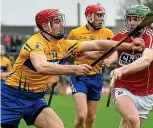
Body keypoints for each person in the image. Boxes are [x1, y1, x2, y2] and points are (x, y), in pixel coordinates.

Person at [0, 8, 144, 128]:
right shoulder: (36, 43)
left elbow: (97, 45)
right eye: (56, 21)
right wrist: (74, 69)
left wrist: (129, 46)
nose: (61, 24)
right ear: (45, 26)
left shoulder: (63, 44)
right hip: (11, 97)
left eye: (61, 20)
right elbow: (41, 66)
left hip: (35, 98)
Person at [103, 5, 153, 128]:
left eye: (136, 19)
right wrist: (89, 54)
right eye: (129, 19)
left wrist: (122, 69)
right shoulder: (121, 36)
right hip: (122, 87)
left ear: (146, 21)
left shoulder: (152, 37)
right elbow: (110, 51)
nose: (131, 23)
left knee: (127, 125)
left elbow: (146, 60)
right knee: (134, 122)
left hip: (145, 92)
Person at [67, 4, 114, 128]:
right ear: (89, 16)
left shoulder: (108, 33)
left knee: (90, 118)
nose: (101, 18)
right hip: (79, 77)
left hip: (96, 77)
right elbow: (67, 51)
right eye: (98, 15)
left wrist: (107, 59)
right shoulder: (75, 33)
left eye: (102, 15)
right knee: (82, 115)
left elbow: (108, 53)